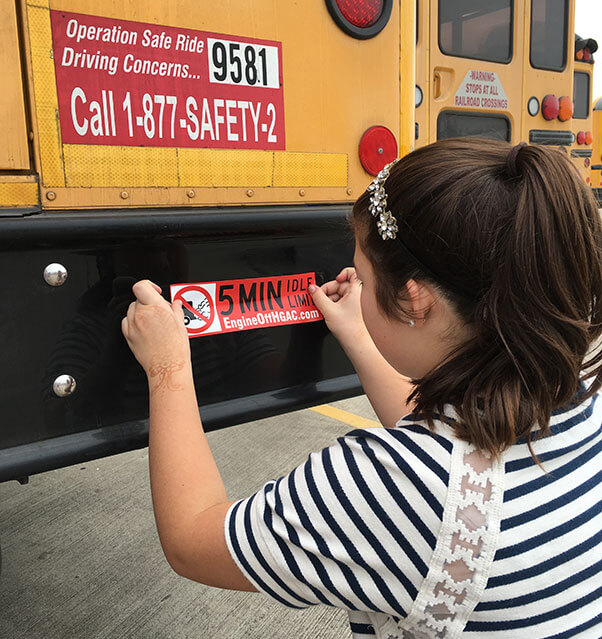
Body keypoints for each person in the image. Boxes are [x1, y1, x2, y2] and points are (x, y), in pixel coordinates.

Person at [121, 138, 602, 639]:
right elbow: (456, 454)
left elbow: (192, 537)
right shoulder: (577, 398)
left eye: (368, 283)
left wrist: (168, 367)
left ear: (416, 302)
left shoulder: (389, 487)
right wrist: (356, 330)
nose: (359, 289)